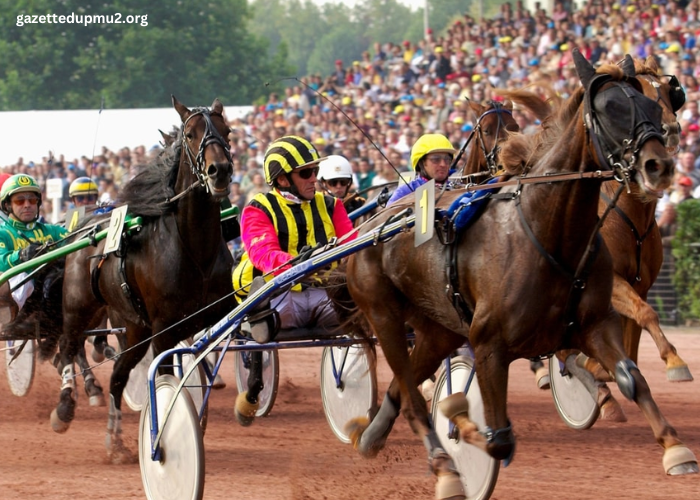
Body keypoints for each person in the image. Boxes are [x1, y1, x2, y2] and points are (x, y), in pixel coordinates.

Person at [232, 135, 355, 343]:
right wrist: (301, 264)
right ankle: (255, 317)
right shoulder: (258, 208)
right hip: (279, 294)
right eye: (306, 173)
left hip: (323, 293)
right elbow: (263, 254)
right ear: (282, 179)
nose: (314, 178)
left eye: (315, 171)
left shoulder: (332, 205)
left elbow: (352, 247)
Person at [0, 174, 69, 325]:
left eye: (32, 200)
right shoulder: (2, 233)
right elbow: (2, 262)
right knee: (22, 278)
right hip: (19, 295)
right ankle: (11, 320)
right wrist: (21, 255)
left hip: (54, 292)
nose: (27, 205)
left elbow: (74, 242)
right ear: (7, 205)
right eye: (20, 200)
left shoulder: (52, 230)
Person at [387, 133, 457, 204]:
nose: (443, 164)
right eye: (436, 159)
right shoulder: (404, 192)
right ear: (421, 163)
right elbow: (388, 214)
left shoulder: (457, 189)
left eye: (447, 159)